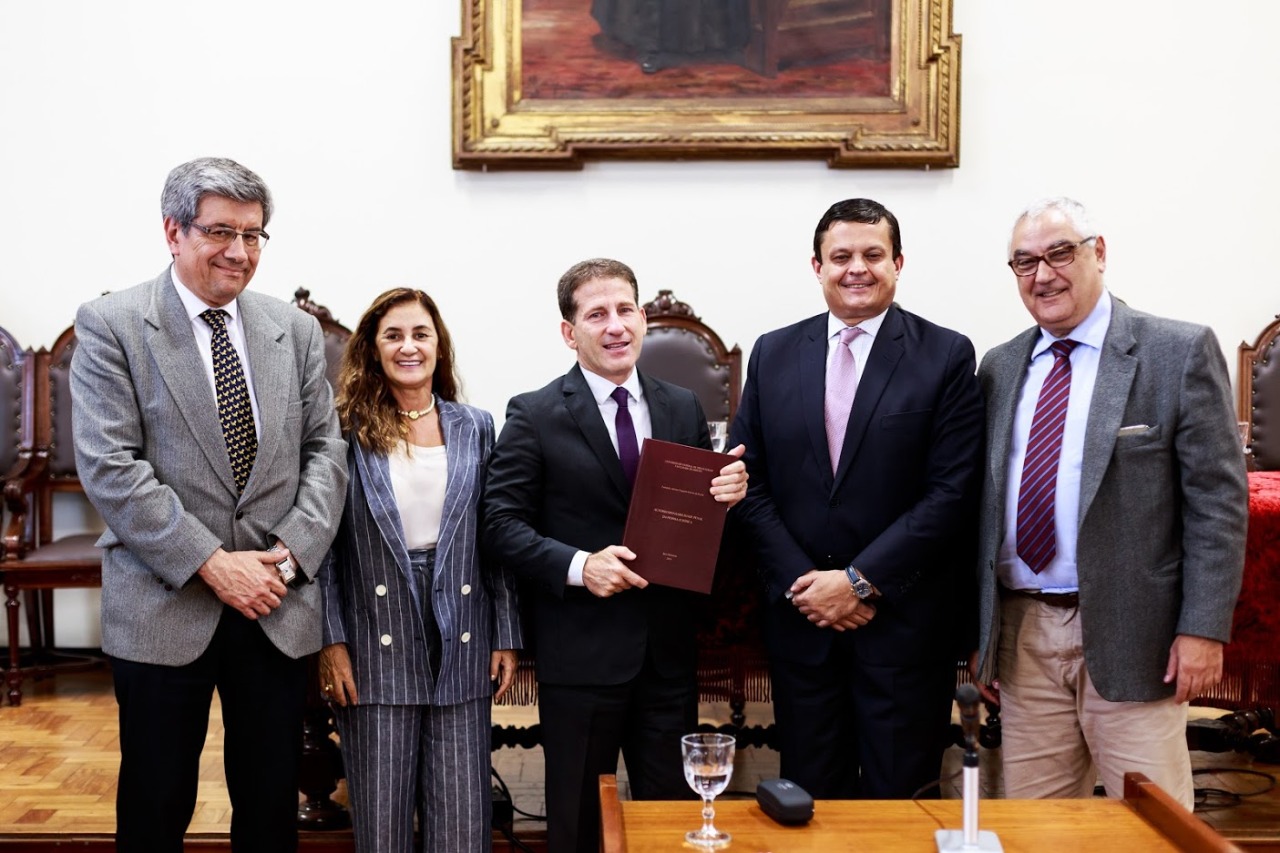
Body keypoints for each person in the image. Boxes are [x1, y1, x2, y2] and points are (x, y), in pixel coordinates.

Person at [70, 157, 348, 853]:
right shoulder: (113, 325)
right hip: (166, 602)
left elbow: (327, 451)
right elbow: (110, 465)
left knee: (269, 806)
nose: (239, 251)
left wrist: (288, 556)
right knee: (158, 803)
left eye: (254, 235)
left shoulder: (295, 329)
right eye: (221, 231)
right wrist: (211, 563)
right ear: (173, 230)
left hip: (274, 604)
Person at [971, 197, 1248, 810]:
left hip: (1135, 633)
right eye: (1023, 262)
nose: (1042, 275)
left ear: (1099, 252)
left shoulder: (1176, 352)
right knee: (1035, 831)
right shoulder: (999, 366)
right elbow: (983, 509)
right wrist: (983, 632)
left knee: (1154, 828)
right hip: (1023, 636)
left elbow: (1218, 505)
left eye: (1059, 253)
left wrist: (1202, 629)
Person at [481, 258, 748, 853]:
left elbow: (691, 523)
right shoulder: (535, 413)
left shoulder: (681, 406)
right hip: (580, 654)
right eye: (596, 314)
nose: (615, 326)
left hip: (666, 653)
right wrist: (581, 566)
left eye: (625, 310)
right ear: (568, 331)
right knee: (576, 823)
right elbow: (498, 525)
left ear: (643, 318)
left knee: (668, 821)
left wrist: (727, 498)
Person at [729, 198, 984, 799]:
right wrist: (807, 585)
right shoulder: (773, 352)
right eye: (840, 256)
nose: (857, 268)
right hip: (803, 622)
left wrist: (859, 582)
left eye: (873, 255)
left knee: (903, 803)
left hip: (902, 625)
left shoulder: (946, 354)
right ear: (816, 266)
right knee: (809, 800)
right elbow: (748, 482)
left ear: (898, 263)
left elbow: (951, 493)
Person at [317, 288, 522, 852]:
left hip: (462, 629)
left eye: (420, 334)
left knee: (461, 822)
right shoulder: (343, 429)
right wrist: (330, 642)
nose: (409, 346)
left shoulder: (475, 426)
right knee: (381, 825)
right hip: (372, 636)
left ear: (439, 345)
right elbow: (326, 548)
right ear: (372, 348)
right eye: (394, 335)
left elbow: (494, 537)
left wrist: (505, 633)